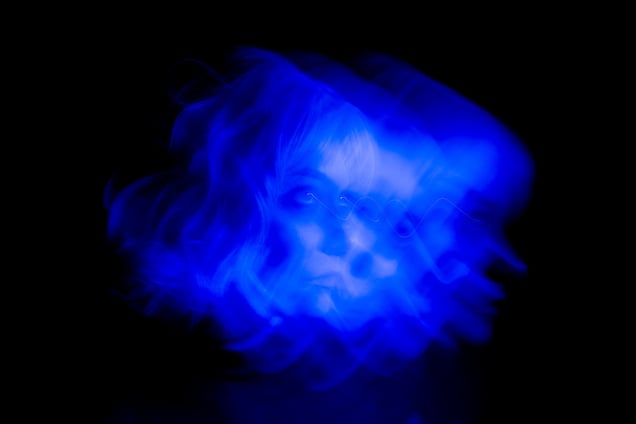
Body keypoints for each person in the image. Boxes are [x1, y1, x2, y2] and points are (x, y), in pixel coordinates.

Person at [105, 47, 533, 423]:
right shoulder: (158, 398)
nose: (350, 241)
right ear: (226, 207)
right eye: (308, 198)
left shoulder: (380, 383)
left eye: (351, 204)